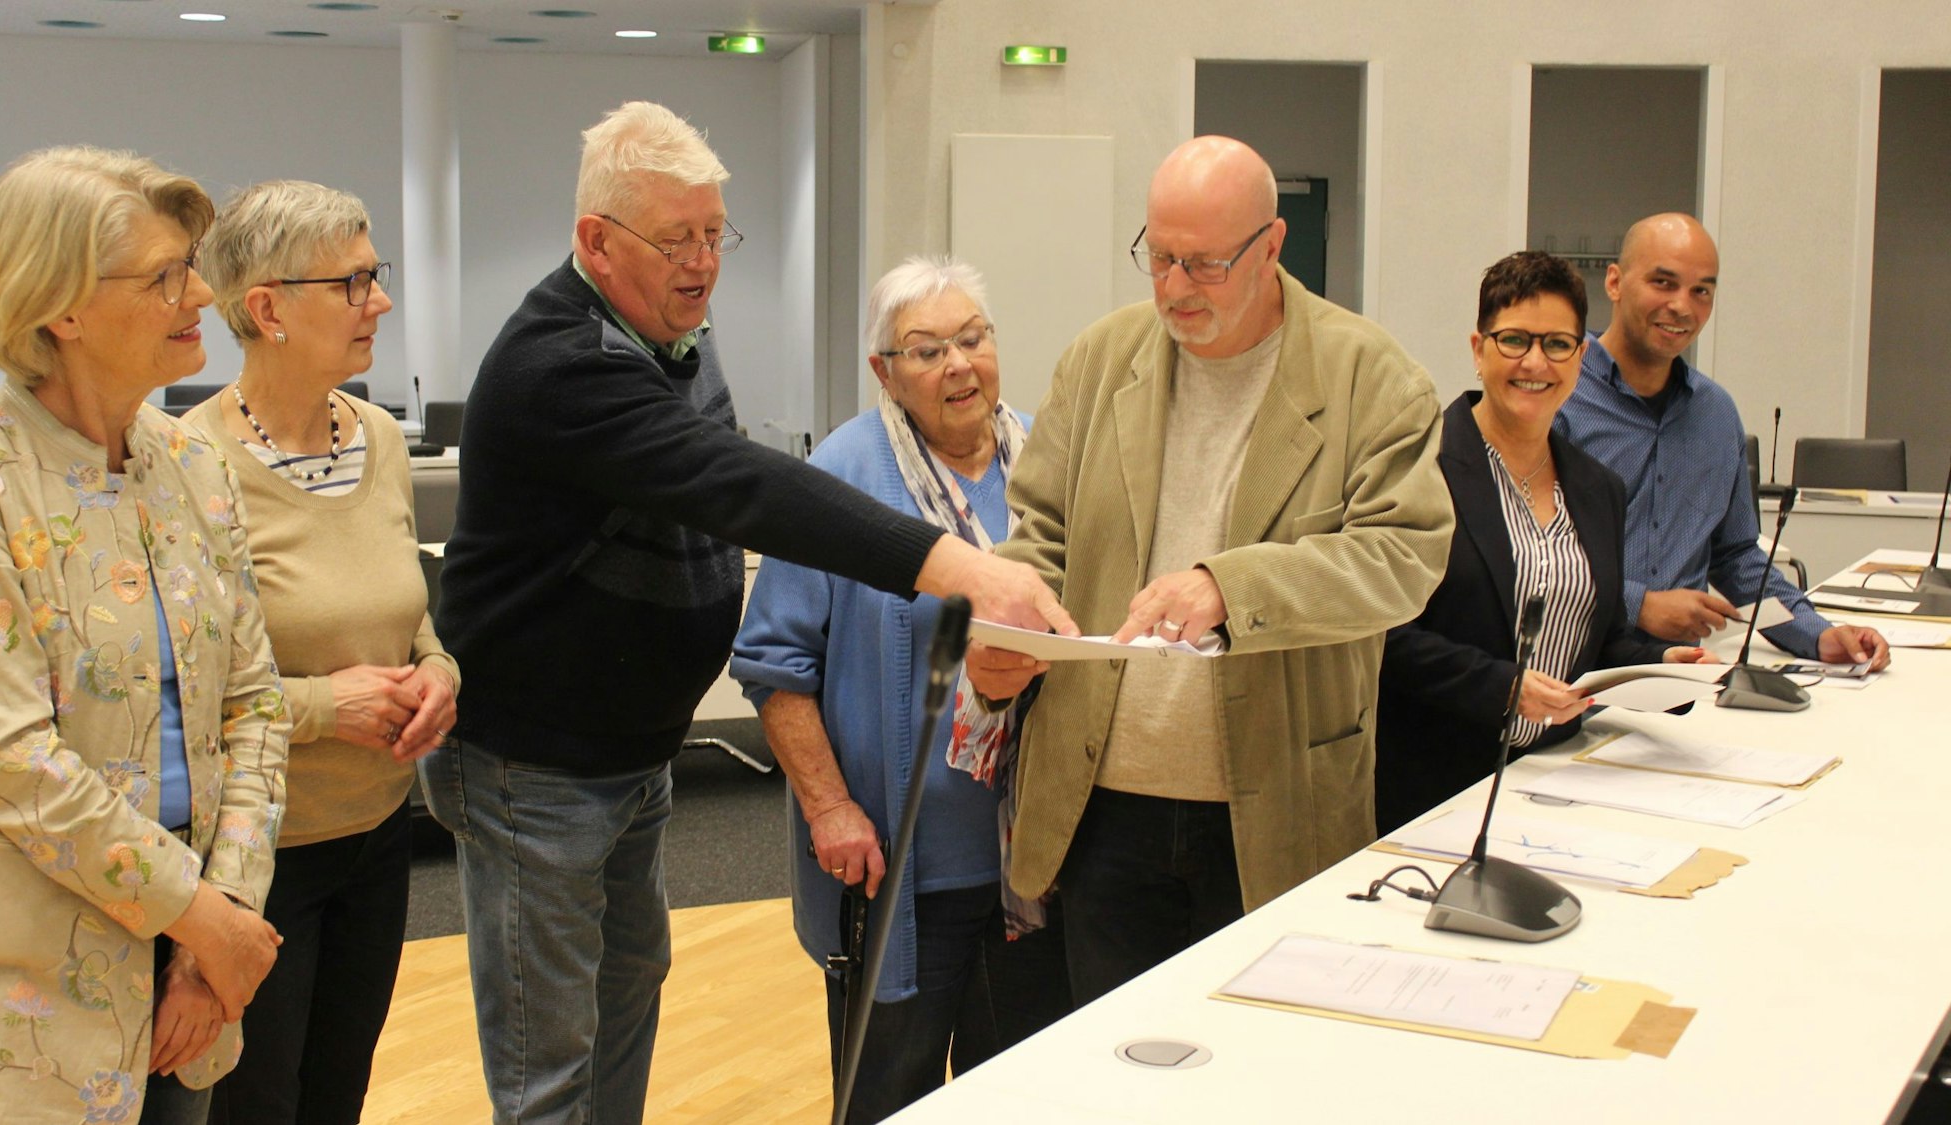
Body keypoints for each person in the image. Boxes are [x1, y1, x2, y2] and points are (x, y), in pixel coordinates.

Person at [424, 101, 1073, 1123]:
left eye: (713, 234)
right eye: (674, 239)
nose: (702, 263)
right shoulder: (563, 363)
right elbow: (737, 482)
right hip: (535, 766)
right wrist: (957, 567)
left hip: (628, 756)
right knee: (549, 1064)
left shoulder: (670, 335)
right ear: (596, 240)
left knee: (625, 1003)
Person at [966, 135, 1455, 1006]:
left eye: (1205, 264)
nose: (1175, 288)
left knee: (1264, 1055)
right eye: (1158, 257)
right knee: (1117, 1057)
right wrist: (1007, 633)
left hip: (1275, 805)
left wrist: (1233, 587)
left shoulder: (1371, 378)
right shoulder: (1100, 359)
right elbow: (1040, 531)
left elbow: (1402, 555)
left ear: (1272, 246)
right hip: (1102, 803)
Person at [0, 146, 288, 1124]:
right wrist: (202, 916)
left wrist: (220, 927)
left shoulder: (193, 462)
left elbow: (255, 706)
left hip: (198, 965)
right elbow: (10, 758)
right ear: (62, 308)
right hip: (30, 991)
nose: (201, 294)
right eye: (164, 276)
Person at [731, 257, 1072, 1122]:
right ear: (884, 372)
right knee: (888, 1100)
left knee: (1021, 1101)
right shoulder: (842, 477)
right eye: (927, 350)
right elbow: (774, 663)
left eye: (973, 338)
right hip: (900, 872)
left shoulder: (1049, 463)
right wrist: (828, 808)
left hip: (1033, 867)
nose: (959, 364)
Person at [187, 180, 460, 1125]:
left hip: (377, 834)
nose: (378, 301)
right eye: (351, 282)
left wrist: (440, 672)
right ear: (268, 309)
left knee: (338, 1095)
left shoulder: (377, 435)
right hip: (257, 856)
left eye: (374, 275)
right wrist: (321, 707)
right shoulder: (190, 460)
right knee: (258, 1106)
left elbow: (409, 613)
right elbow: (181, 684)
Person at [1374, 251, 1714, 833]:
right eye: (1514, 340)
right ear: (1478, 349)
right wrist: (1502, 688)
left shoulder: (1598, 488)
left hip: (1554, 780)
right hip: (1434, 788)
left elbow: (1598, 639)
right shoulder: (1417, 468)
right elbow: (1379, 635)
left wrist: (1661, 665)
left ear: (1580, 358)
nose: (1535, 362)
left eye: (1557, 344)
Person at [1553, 213, 1890, 670]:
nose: (1682, 306)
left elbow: (1736, 557)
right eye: (1663, 283)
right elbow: (1528, 557)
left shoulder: (1715, 414)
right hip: (1569, 669)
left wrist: (1820, 635)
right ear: (1614, 282)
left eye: (1701, 291)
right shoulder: (1558, 397)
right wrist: (1638, 605)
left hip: (1683, 675)